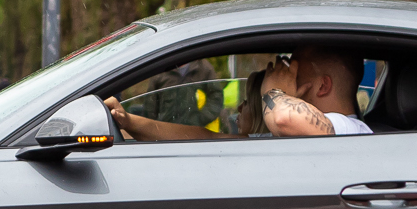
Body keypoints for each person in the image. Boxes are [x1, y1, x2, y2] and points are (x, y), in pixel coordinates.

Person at [106, 47, 371, 140]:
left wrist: (274, 90)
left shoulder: (350, 130)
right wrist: (129, 121)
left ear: (322, 86)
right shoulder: (310, 132)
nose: (282, 72)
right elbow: (205, 138)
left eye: (292, 71)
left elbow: (283, 118)